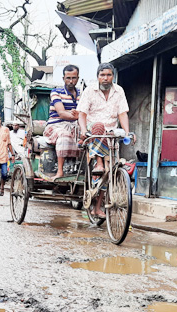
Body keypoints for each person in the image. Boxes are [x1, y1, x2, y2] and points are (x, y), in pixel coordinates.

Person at [77, 63, 135, 216]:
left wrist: (127, 132)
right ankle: (99, 161)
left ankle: (97, 207)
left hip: (111, 133)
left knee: (110, 171)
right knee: (98, 126)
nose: (105, 78)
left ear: (113, 76)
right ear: (98, 77)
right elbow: (82, 114)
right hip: (94, 130)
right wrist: (83, 130)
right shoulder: (90, 90)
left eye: (108, 75)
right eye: (102, 75)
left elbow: (122, 113)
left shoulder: (119, 91)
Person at [44, 64, 81, 180]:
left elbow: (84, 113)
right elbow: (61, 113)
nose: (71, 81)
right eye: (68, 78)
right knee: (64, 135)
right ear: (63, 79)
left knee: (87, 136)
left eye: (73, 78)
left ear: (78, 78)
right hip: (55, 126)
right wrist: (77, 115)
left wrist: (78, 116)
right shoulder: (56, 92)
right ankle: (60, 171)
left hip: (75, 125)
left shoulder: (82, 93)